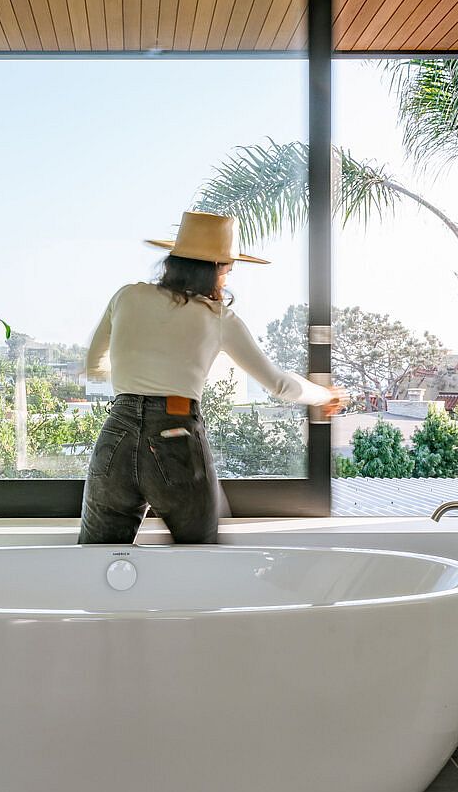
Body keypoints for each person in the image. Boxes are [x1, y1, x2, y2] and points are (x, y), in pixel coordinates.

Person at [78, 210, 344, 545]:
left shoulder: (127, 296)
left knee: (95, 561)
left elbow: (93, 362)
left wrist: (134, 376)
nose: (227, 279)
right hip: (174, 432)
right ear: (214, 269)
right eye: (228, 269)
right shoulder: (217, 317)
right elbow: (278, 383)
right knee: (201, 561)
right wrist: (325, 396)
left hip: (115, 432)